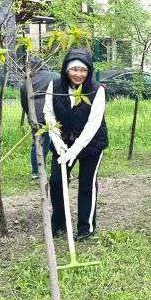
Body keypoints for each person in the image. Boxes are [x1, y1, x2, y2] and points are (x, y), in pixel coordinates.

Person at [44, 49, 108, 240]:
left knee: (87, 184)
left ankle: (85, 227)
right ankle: (59, 222)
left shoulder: (97, 90)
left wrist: (75, 149)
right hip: (62, 142)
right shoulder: (54, 86)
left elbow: (93, 124)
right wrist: (57, 141)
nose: (78, 74)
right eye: (74, 69)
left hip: (91, 145)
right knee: (56, 182)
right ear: (65, 70)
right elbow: (49, 114)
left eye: (83, 70)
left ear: (89, 71)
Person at [20, 57, 53, 180]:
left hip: (36, 117)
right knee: (58, 140)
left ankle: (36, 172)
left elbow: (24, 103)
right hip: (53, 114)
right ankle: (62, 168)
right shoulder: (55, 76)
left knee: (38, 142)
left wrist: (30, 116)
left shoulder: (26, 83)